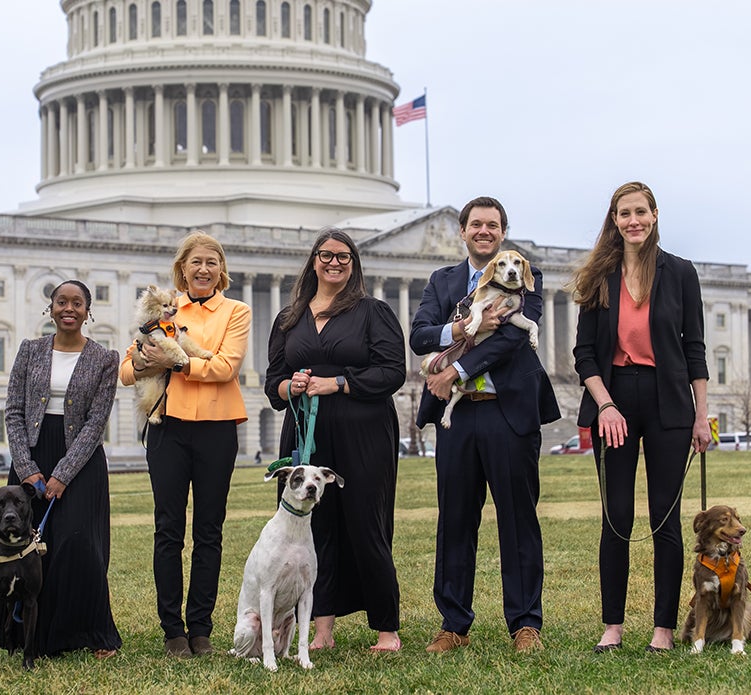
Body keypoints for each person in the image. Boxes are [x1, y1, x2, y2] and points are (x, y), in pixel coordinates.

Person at [410, 196, 561, 655]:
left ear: (502, 233)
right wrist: (457, 333)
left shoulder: (524, 275)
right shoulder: (444, 281)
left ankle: (525, 624)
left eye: (493, 225)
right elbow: (419, 335)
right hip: (459, 417)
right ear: (463, 231)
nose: (484, 231)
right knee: (455, 520)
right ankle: (453, 624)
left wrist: (454, 370)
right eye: (476, 224)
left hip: (507, 410)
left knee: (518, 519)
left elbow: (514, 339)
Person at [571, 181, 712, 653]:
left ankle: (664, 629)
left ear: (654, 215)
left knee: (664, 520)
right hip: (614, 398)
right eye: (624, 213)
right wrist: (606, 404)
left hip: (669, 400)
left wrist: (701, 416)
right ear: (614, 221)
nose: (633, 220)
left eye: (641, 212)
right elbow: (584, 355)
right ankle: (613, 626)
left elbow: (695, 348)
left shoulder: (680, 273)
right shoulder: (599, 276)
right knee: (617, 516)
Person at [264, 229, 405, 652]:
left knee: (366, 524)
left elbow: (392, 372)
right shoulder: (289, 318)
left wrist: (338, 383)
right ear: (314, 261)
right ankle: (320, 628)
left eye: (344, 257)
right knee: (310, 528)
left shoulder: (372, 311)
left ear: (354, 264)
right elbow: (274, 385)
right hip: (306, 432)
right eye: (326, 255)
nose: (335, 263)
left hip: (363, 429)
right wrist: (294, 385)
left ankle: (386, 628)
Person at [119, 231, 250, 658]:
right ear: (182, 267)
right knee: (168, 530)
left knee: (209, 531)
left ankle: (201, 628)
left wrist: (175, 360)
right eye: (196, 262)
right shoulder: (164, 309)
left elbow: (226, 368)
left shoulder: (236, 310)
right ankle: (172, 629)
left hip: (216, 428)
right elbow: (126, 368)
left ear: (221, 269)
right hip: (168, 427)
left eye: (212, 262)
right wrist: (145, 361)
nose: (203, 269)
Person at [5, 279, 122, 659]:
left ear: (88, 311)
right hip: (32, 455)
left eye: (77, 303)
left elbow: (95, 423)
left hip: (81, 461)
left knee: (80, 545)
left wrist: (62, 475)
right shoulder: (30, 350)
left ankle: (93, 632)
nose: (68, 308)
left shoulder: (104, 358)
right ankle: (28, 635)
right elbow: (14, 411)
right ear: (50, 308)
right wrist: (27, 467)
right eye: (61, 302)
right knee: (26, 549)